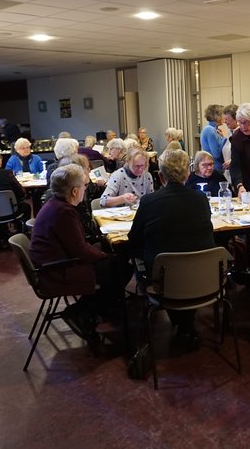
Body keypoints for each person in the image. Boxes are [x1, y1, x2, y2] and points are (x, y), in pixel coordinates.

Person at [30, 164, 132, 346]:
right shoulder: (64, 212)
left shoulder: (54, 204)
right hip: (57, 270)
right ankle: (84, 311)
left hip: (51, 261)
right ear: (75, 191)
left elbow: (77, 246)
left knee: (109, 256)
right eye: (84, 186)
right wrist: (104, 256)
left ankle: (100, 308)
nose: (86, 189)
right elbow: (80, 251)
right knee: (122, 267)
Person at [128, 149, 216, 350]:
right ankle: (186, 325)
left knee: (154, 262)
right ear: (188, 174)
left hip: (164, 279)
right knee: (183, 260)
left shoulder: (149, 201)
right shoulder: (201, 200)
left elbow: (133, 241)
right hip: (202, 277)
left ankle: (182, 325)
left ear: (160, 176)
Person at [58, 154, 102, 242]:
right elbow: (82, 237)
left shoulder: (77, 189)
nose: (90, 170)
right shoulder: (70, 201)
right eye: (87, 168)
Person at [221, 104, 238, 181]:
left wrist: (232, 161)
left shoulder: (241, 134)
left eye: (227, 119)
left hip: (238, 177)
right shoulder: (229, 133)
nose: (224, 122)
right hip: (228, 176)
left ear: (236, 119)